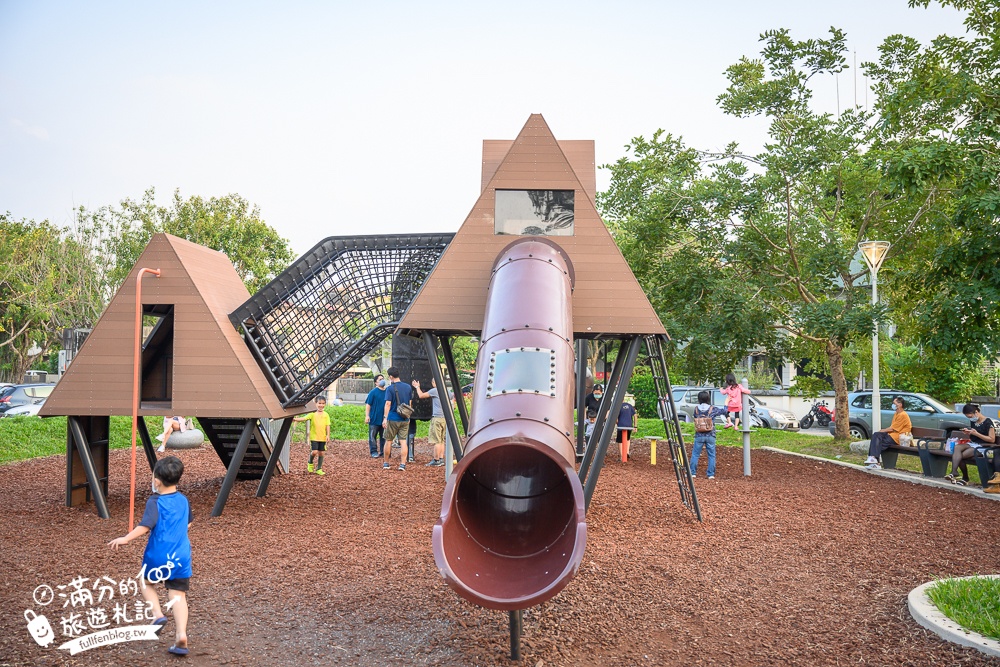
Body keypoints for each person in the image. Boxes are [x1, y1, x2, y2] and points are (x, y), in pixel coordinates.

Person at [108, 456, 192, 656]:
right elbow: (188, 523)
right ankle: (181, 635)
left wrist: (126, 538)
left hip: (158, 554)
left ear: (157, 481)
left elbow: (145, 526)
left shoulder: (155, 501)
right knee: (178, 594)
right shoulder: (183, 500)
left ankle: (157, 615)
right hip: (181, 555)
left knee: (146, 582)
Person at [947, 403, 998, 486]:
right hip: (973, 444)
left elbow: (992, 439)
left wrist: (976, 434)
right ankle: (954, 472)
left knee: (960, 456)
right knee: (957, 448)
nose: (970, 418)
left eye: (970, 416)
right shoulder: (973, 422)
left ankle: (964, 477)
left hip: (983, 447)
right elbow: (973, 436)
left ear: (976, 412)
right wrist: (968, 432)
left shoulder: (988, 422)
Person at [864, 395, 911, 469]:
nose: (893, 405)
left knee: (878, 443)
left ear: (900, 405)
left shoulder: (903, 415)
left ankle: (875, 461)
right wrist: (881, 431)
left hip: (898, 437)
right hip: (892, 434)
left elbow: (893, 429)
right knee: (876, 435)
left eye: (895, 404)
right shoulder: (896, 413)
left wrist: (883, 430)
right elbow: (892, 427)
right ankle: (874, 459)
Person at [690, 390, 727, 479]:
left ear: (699, 399)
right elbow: (724, 411)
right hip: (710, 434)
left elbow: (695, 417)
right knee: (711, 455)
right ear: (708, 399)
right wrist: (727, 403)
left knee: (695, 454)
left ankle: (692, 473)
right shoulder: (712, 409)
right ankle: (710, 474)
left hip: (699, 434)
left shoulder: (696, 409)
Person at [382, 367, 413, 471]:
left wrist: (385, 418)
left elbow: (388, 404)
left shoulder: (390, 388)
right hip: (405, 418)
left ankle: (386, 463)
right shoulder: (408, 387)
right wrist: (408, 416)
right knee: (403, 441)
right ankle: (402, 464)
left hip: (393, 417)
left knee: (389, 440)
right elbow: (409, 403)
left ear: (391, 376)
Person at [413, 378, 446, 467]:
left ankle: (436, 460)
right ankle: (441, 458)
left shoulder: (435, 390)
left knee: (437, 440)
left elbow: (421, 395)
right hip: (444, 418)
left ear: (435, 382)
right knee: (442, 440)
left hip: (437, 418)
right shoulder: (447, 391)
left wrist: (417, 387)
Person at [294, 396, 330, 475]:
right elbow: (304, 418)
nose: (321, 405)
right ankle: (310, 462)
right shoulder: (312, 414)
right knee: (314, 452)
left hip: (322, 437)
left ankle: (319, 469)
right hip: (314, 437)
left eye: (323, 403)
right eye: (319, 403)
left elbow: (328, 425)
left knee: (321, 453)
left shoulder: (326, 415)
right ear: (315, 404)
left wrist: (328, 435)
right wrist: (295, 419)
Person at [364, 374, 387, 458]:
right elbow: (368, 404)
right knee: (372, 436)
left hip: (384, 419)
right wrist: (367, 416)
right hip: (374, 418)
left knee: (384, 436)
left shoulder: (387, 391)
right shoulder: (373, 392)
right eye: (380, 379)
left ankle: (383, 451)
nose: (382, 380)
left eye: (383, 379)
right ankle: (373, 451)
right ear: (376, 383)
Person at [615, 394, 638, 462]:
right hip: (629, 425)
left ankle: (622, 456)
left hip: (621, 425)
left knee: (620, 441)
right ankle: (627, 452)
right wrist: (635, 426)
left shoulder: (618, 407)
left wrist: (617, 423)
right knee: (627, 439)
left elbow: (616, 418)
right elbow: (635, 415)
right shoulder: (629, 405)